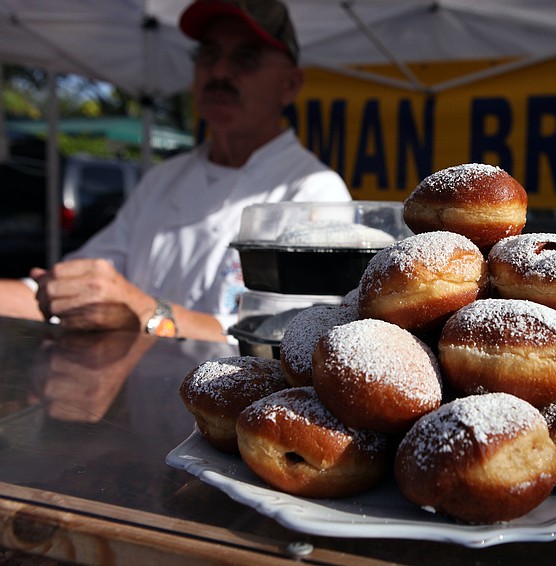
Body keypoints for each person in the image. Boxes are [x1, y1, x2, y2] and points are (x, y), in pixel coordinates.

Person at [0, 0, 351, 342]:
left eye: (246, 58)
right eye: (208, 55)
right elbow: (70, 289)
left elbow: (297, 337)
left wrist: (147, 312)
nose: (220, 72)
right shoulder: (162, 179)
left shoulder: (314, 192)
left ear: (289, 85)